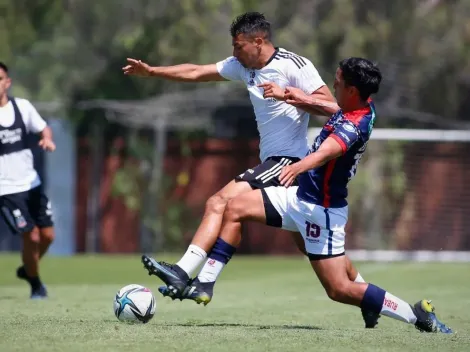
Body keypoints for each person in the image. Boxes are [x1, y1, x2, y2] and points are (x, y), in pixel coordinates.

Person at [150, 57, 452, 333]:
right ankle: (205, 284)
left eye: (338, 80)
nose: (333, 83)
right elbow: (327, 109)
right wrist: (291, 96)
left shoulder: (353, 126)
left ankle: (417, 316)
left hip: (320, 211)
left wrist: (298, 168)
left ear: (352, 90)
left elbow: (325, 152)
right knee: (234, 208)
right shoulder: (361, 107)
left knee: (338, 290)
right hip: (299, 198)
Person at [125, 12, 378, 327]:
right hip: (276, 165)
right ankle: (368, 299)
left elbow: (336, 109)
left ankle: (184, 273)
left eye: (238, 46)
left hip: (288, 162)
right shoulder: (243, 66)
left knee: (219, 201)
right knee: (317, 250)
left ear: (259, 42)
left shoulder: (294, 66)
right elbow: (195, 71)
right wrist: (152, 72)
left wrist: (291, 96)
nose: (234, 53)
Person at [0, 62, 56, 299]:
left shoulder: (22, 108)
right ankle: (36, 284)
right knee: (31, 235)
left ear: (7, 82)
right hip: (6, 189)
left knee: (47, 236)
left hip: (31, 184)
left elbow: (44, 129)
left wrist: (47, 140)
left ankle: (27, 269)